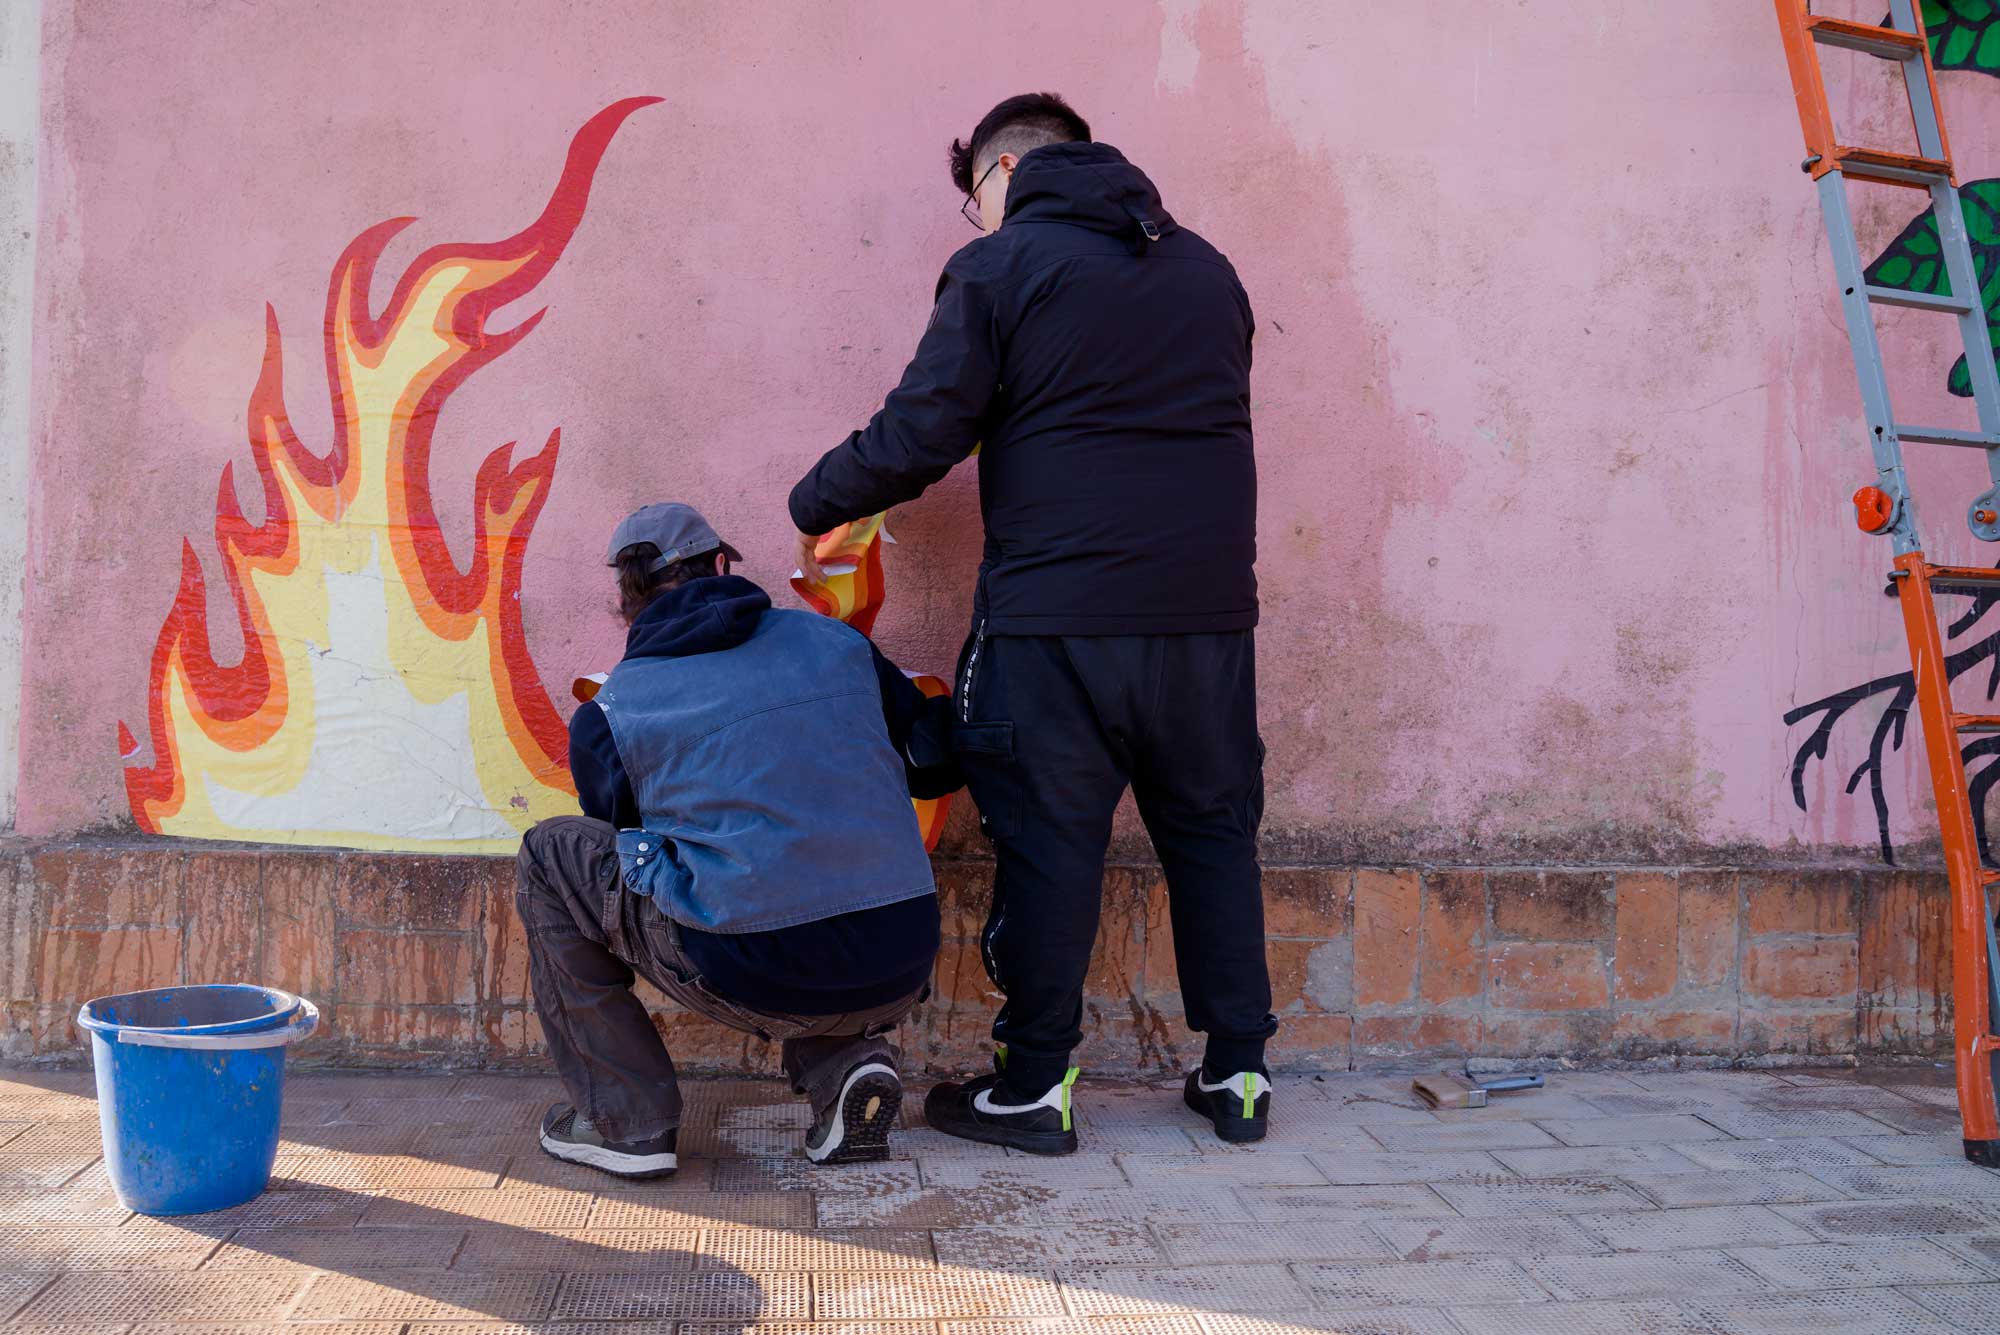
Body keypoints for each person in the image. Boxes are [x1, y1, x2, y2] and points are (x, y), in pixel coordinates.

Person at [789, 93, 1275, 1156]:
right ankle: (1239, 1075)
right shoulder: (1208, 271)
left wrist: (815, 499)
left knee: (1051, 845)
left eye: (975, 201)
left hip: (1056, 622)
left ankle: (1033, 1087)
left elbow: (924, 427)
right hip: (1207, 623)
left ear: (1003, 169)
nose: (978, 220)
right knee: (1210, 835)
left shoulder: (1001, 268)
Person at [518, 502, 959, 1177]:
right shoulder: (839, 644)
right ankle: (847, 1064)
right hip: (900, 958)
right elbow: (933, 763)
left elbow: (627, 845)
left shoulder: (610, 713)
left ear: (625, 597)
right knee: (800, 865)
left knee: (552, 855)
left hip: (748, 967)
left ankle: (625, 1122)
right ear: (722, 563)